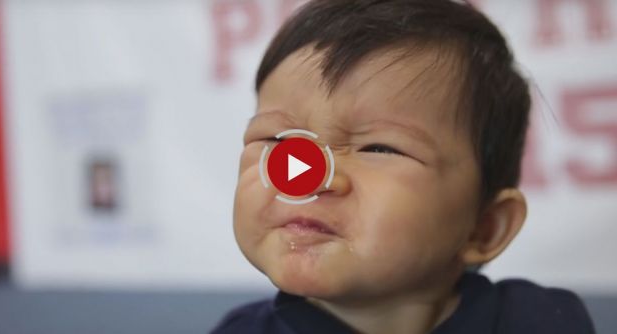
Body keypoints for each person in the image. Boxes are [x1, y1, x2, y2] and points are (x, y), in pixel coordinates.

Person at [212, 0, 595, 333]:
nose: (307, 176)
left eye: (379, 147)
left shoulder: (541, 322)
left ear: (484, 227)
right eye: (276, 140)